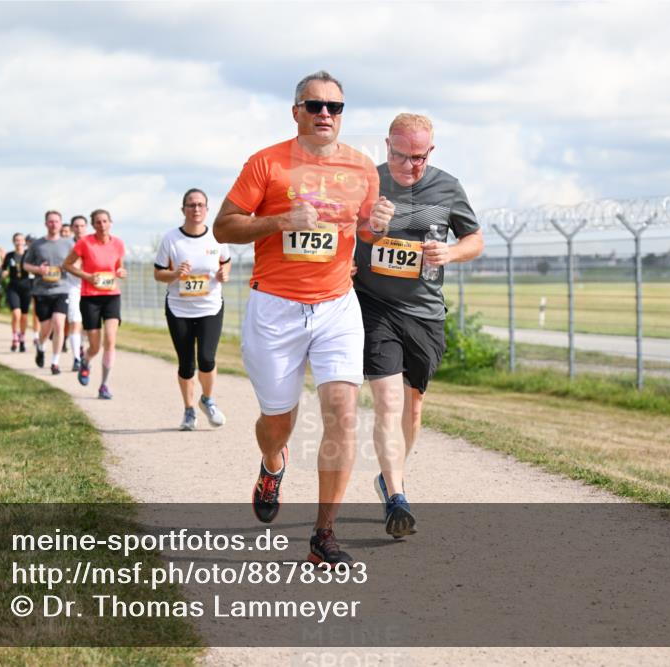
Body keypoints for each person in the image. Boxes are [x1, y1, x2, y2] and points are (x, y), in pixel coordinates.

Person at [213, 70, 394, 565]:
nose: (324, 115)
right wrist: (279, 221)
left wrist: (375, 229)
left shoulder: (362, 169)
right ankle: (273, 463)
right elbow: (224, 227)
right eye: (314, 105)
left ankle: (323, 535)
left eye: (334, 107)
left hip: (337, 303)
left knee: (342, 413)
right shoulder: (266, 163)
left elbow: (365, 235)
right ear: (296, 111)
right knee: (278, 419)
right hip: (275, 306)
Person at [354, 113, 483, 537]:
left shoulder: (447, 186)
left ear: (431, 151)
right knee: (388, 402)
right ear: (387, 146)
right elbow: (341, 232)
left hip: (425, 311)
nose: (413, 166)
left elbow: (474, 240)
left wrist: (451, 254)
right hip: (374, 305)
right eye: (404, 156)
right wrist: (366, 235)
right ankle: (396, 497)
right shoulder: (367, 181)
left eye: (421, 157)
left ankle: (391, 477)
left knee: (413, 407)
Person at [154, 188, 231, 430]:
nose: (195, 209)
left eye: (200, 205)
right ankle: (188, 411)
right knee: (186, 363)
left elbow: (225, 262)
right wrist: (176, 274)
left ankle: (207, 400)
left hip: (210, 306)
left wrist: (224, 273)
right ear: (183, 209)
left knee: (206, 359)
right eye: (191, 205)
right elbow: (158, 273)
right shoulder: (171, 239)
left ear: (207, 209)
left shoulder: (217, 237)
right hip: (179, 309)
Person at [63, 209, 127, 399]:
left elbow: (119, 267)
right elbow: (66, 265)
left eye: (105, 221)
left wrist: (121, 272)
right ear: (93, 225)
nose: (102, 225)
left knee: (110, 340)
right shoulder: (85, 243)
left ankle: (104, 385)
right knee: (95, 346)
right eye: (98, 222)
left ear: (110, 222)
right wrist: (87, 276)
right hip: (90, 297)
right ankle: (85, 361)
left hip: (111, 295)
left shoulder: (118, 243)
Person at [23, 210, 74, 374]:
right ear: (46, 224)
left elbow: (77, 263)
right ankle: (41, 345)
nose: (54, 224)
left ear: (61, 224)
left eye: (56, 221)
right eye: (50, 221)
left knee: (59, 323)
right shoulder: (37, 245)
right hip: (42, 291)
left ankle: (55, 362)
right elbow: (25, 265)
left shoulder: (69, 244)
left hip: (62, 289)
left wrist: (67, 267)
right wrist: (38, 269)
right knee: (46, 329)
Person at [2, 233, 33, 352]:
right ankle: (15, 336)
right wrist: (4, 273)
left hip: (27, 287)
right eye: (16, 240)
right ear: (13, 241)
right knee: (16, 313)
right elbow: (4, 269)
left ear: (24, 242)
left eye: (21, 240)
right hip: (13, 287)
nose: (19, 242)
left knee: (24, 316)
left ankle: (22, 338)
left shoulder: (28, 254)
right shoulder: (9, 255)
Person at [64, 215, 88, 369]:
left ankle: (81, 347)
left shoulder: (92, 243)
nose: (79, 229)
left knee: (89, 325)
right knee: (75, 322)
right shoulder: (65, 245)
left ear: (86, 227)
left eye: (82, 226)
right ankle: (77, 359)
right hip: (72, 287)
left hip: (90, 287)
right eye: (76, 226)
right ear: (72, 228)